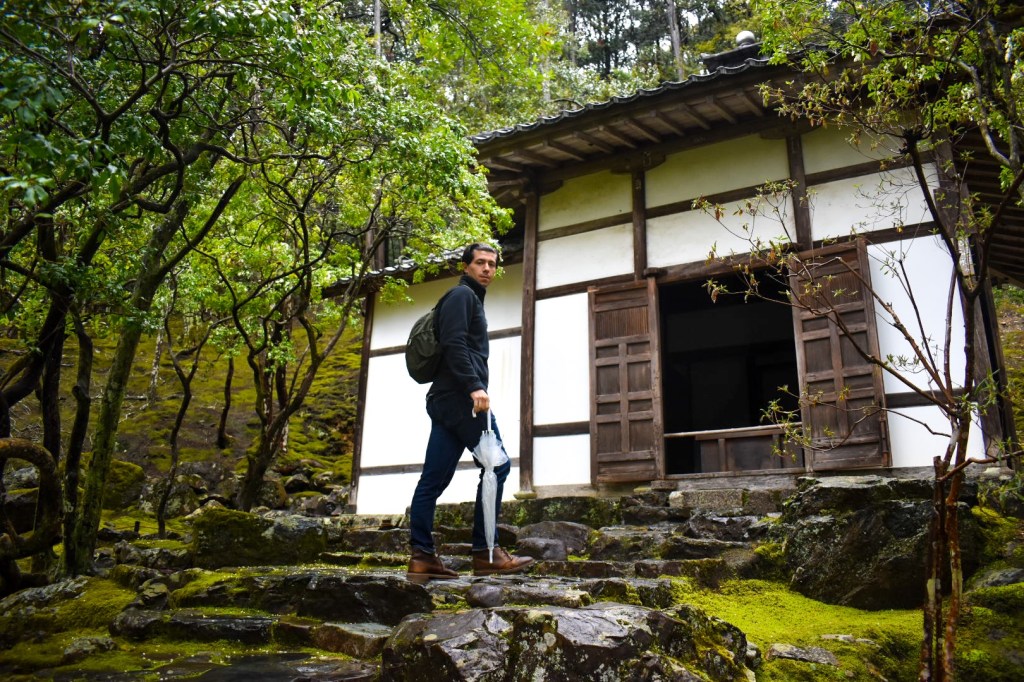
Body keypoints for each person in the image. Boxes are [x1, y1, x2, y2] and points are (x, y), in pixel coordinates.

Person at [406, 243, 534, 582]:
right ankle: (486, 552)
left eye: (492, 264)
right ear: (466, 266)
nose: (487, 269)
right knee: (498, 465)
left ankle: (422, 557)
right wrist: (475, 386)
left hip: (447, 399)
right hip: (462, 398)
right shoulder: (462, 297)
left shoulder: (469, 299)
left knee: (433, 479)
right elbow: (454, 343)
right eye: (480, 262)